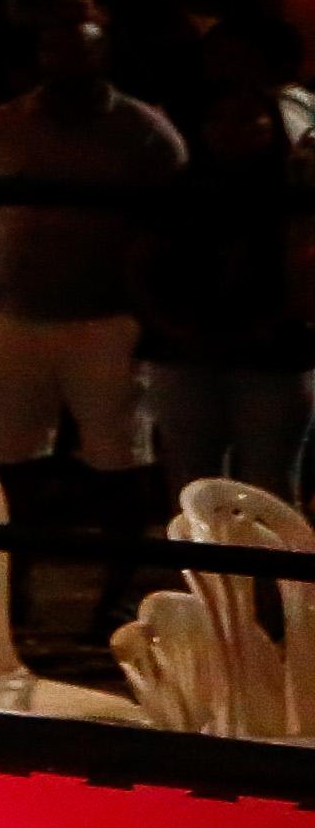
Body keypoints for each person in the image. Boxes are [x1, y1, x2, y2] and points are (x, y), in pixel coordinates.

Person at [0, 0, 181, 484]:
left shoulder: (142, 129)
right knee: (8, 453)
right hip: (13, 314)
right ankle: (15, 559)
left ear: (103, 55)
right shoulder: (2, 125)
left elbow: (173, 218)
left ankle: (119, 558)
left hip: (107, 318)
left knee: (120, 454)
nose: (64, 62)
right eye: (53, 50)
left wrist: (150, 305)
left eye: (78, 50)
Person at [144, 48, 309, 499]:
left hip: (271, 354)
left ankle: (276, 571)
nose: (229, 131)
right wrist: (169, 326)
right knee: (192, 484)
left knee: (269, 485)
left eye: (246, 119)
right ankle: (201, 569)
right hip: (184, 350)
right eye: (217, 119)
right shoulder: (180, 188)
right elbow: (144, 263)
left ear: (272, 125)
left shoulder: (295, 191)